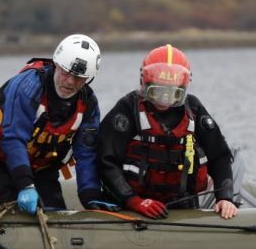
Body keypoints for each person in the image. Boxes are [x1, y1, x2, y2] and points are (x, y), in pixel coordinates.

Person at [96, 44, 238, 220]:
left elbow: (220, 155)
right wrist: (132, 201)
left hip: (183, 205)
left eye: (173, 93)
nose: (164, 99)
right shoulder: (128, 109)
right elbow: (105, 160)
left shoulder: (193, 109)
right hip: (132, 207)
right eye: (158, 91)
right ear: (145, 83)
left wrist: (225, 197)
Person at [0, 33, 103, 213]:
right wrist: (25, 185)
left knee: (55, 211)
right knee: (11, 211)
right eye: (66, 73)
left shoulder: (88, 103)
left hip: (41, 168)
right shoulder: (28, 87)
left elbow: (86, 152)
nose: (70, 82)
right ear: (56, 64)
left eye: (79, 78)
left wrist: (91, 196)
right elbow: (13, 139)